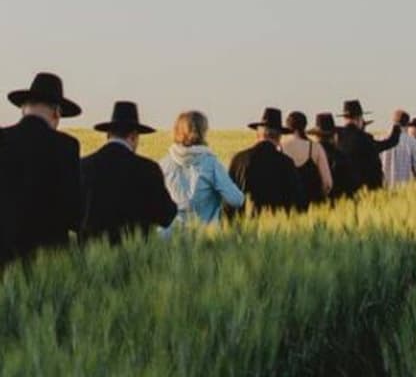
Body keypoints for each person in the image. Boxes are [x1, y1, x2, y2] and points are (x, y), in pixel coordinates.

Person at [0, 72, 82, 263]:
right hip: (49, 260)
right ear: (56, 113)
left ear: (23, 109)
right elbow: (75, 212)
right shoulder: (66, 146)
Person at [80, 101, 177, 244]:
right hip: (136, 258)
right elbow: (166, 216)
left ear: (108, 135)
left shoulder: (83, 165)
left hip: (88, 260)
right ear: (133, 136)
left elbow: (71, 216)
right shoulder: (148, 169)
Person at [159, 110, 244, 228]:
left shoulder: (163, 164)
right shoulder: (211, 164)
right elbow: (236, 199)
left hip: (168, 238)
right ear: (202, 132)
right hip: (204, 237)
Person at [228, 107, 305, 215]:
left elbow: (228, 199)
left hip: (242, 226)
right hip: (276, 227)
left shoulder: (238, 159)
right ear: (278, 138)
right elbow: (297, 201)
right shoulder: (286, 163)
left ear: (258, 135)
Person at [335, 99, 400, 192]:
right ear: (359, 118)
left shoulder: (335, 137)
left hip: (339, 192)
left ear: (344, 119)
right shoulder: (365, 139)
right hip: (361, 192)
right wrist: (397, 127)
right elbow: (389, 143)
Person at [281, 111, 332, 207]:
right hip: (311, 206)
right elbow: (327, 184)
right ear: (304, 126)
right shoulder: (315, 147)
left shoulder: (280, 146)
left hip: (286, 207)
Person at [307, 112, 358, 200]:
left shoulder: (309, 157)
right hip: (339, 205)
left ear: (316, 136)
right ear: (334, 136)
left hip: (315, 206)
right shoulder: (342, 157)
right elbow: (351, 187)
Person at [380, 109, 416, 189]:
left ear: (392, 121)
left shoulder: (380, 139)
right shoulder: (413, 143)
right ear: (407, 124)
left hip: (383, 190)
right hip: (405, 191)